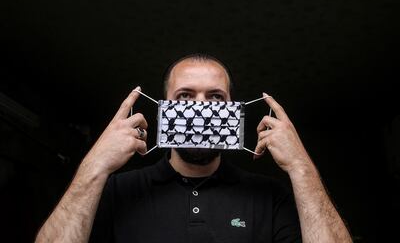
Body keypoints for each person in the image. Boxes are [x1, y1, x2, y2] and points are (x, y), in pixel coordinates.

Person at [35, 54, 352, 243]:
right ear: (163, 109)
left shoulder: (270, 197)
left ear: (234, 110)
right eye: (184, 96)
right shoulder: (117, 191)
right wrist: (95, 166)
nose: (200, 109)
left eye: (215, 97)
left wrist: (301, 168)